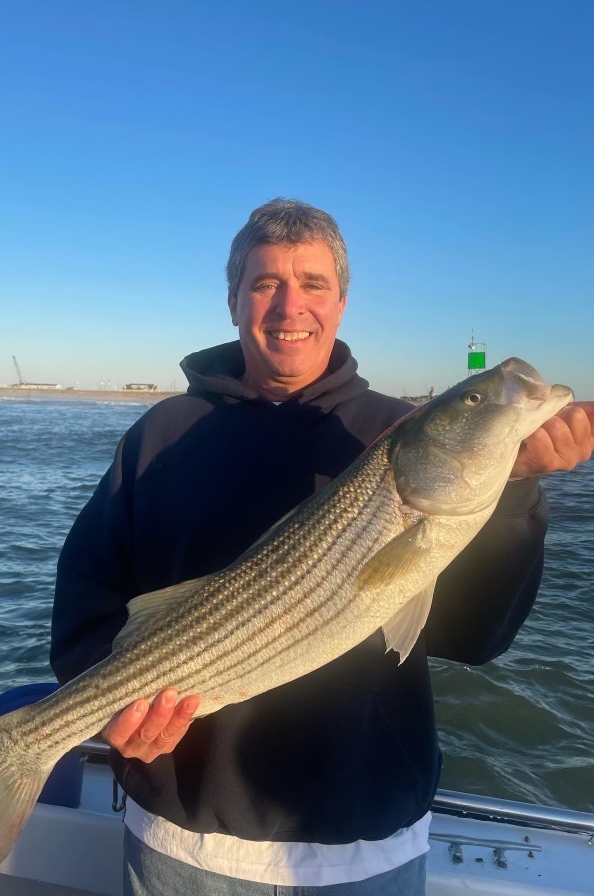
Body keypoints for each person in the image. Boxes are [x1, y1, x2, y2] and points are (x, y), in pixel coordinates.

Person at [50, 199, 594, 895]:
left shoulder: (395, 431)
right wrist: (111, 708)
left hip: (366, 851)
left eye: (312, 284)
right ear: (234, 301)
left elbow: (475, 636)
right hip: (180, 842)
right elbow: (88, 595)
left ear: (341, 302)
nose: (289, 306)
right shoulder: (158, 436)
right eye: (265, 283)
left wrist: (515, 492)